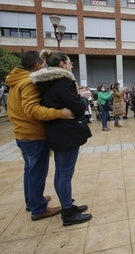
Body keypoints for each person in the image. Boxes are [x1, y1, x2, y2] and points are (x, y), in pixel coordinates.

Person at [6, 50, 73, 221]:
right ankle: (38, 209)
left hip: (22, 133)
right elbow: (32, 109)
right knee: (37, 172)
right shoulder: (28, 82)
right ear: (37, 65)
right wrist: (59, 113)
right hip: (32, 134)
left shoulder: (16, 80)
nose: (45, 67)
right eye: (43, 64)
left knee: (30, 170)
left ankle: (33, 201)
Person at [30, 49, 92, 226]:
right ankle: (68, 212)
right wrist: (83, 99)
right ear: (62, 64)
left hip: (56, 131)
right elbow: (77, 107)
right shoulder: (63, 81)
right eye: (69, 62)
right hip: (65, 132)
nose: (71, 65)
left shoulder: (47, 81)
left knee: (61, 172)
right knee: (65, 174)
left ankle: (68, 206)